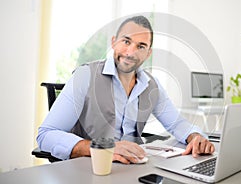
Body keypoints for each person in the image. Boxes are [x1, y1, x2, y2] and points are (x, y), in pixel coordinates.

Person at [37, 15, 215, 164]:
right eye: (126, 41)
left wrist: (195, 136)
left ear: (148, 53)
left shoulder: (152, 86)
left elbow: (176, 124)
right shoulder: (85, 76)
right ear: (113, 42)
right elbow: (46, 135)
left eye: (141, 46)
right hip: (91, 167)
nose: (131, 52)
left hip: (133, 168)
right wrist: (103, 149)